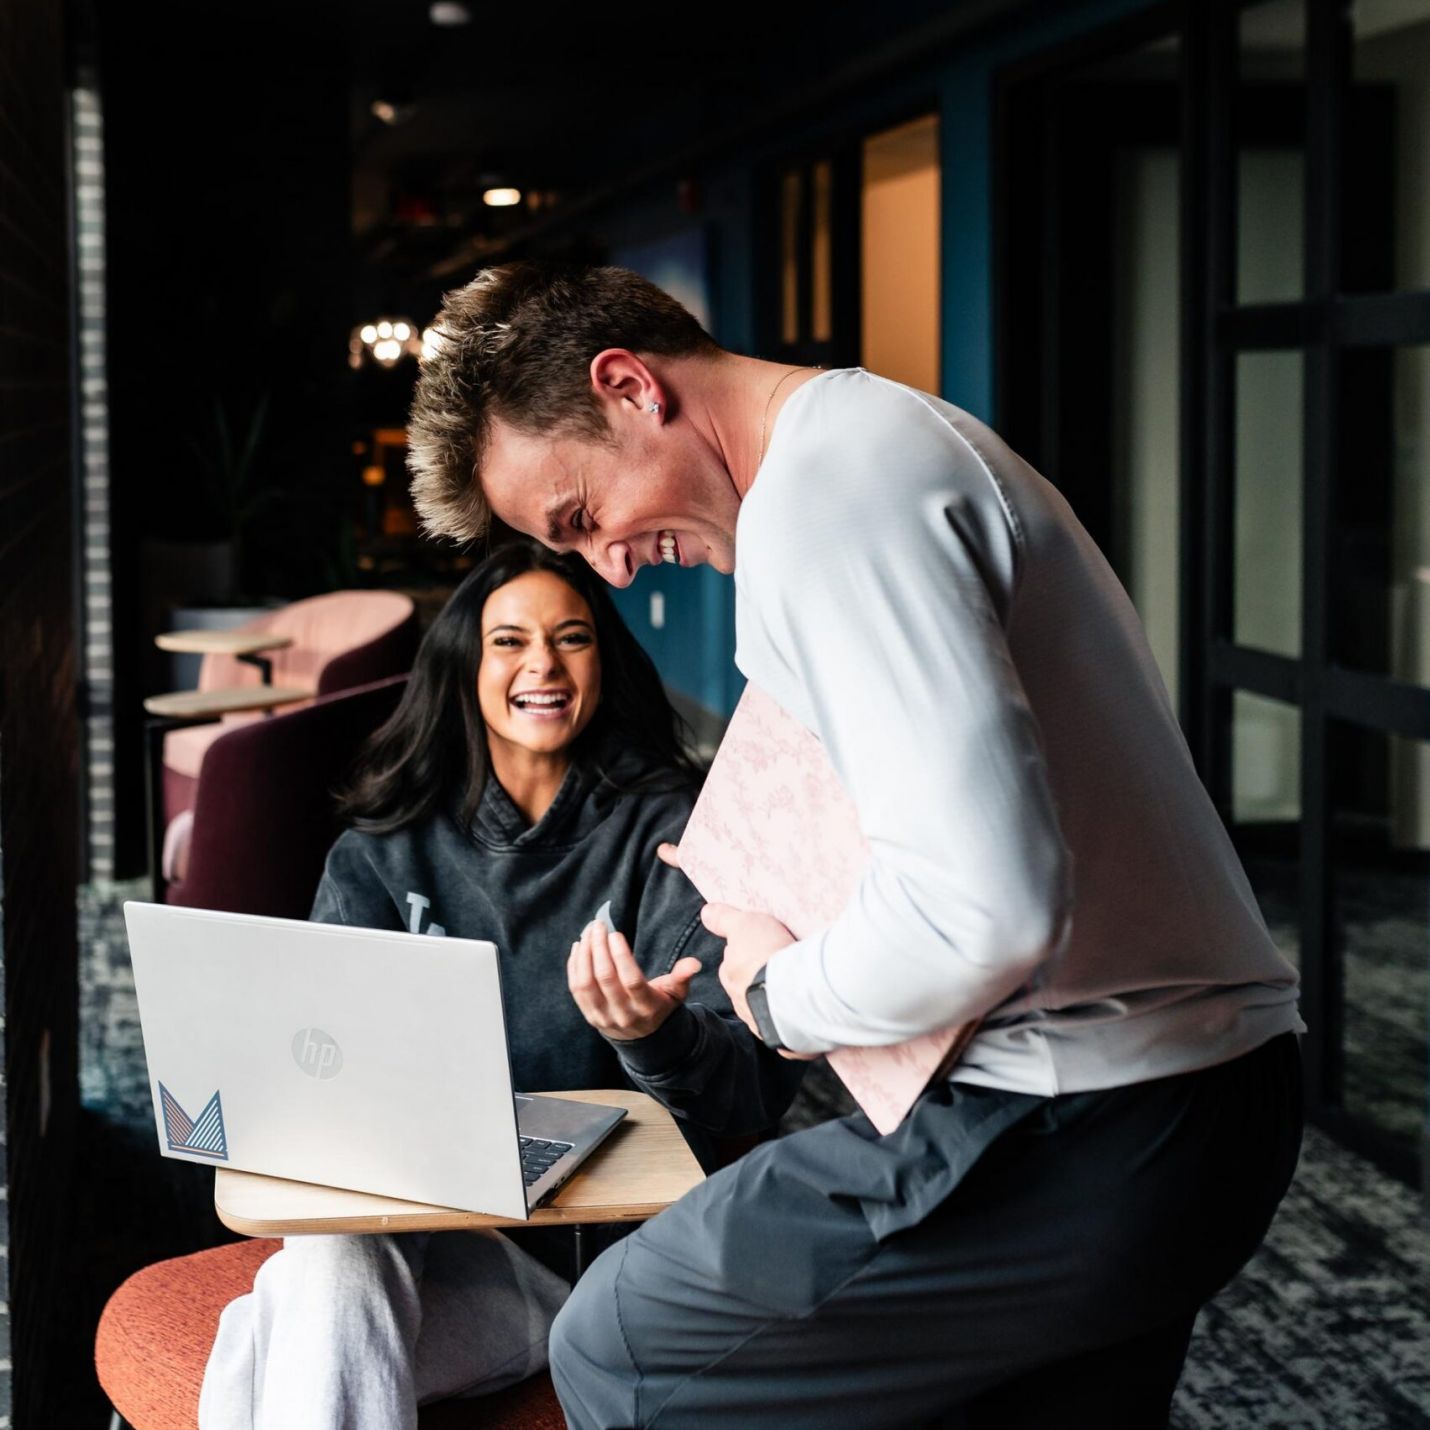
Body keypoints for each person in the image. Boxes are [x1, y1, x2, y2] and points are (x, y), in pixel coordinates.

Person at [403, 262, 1307, 1429]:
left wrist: (777, 992)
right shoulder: (876, 440)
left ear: (628, 386)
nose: (611, 568)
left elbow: (984, 911)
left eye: (583, 520)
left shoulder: (827, 500)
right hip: (1197, 1100)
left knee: (624, 1339)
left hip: (1091, 1109)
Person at [198, 539, 803, 1430]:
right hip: (403, 1235)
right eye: (510, 641)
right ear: (465, 668)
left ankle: (279, 1331)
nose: (543, 665)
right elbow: (317, 1076)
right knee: (321, 1274)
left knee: (283, 1325)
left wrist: (652, 1037)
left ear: (605, 660)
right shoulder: (380, 852)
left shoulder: (670, 834)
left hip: (583, 1270)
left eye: (572, 638)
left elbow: (756, 1085)